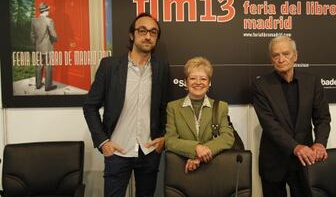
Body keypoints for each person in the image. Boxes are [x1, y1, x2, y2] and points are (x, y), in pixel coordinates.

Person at [83, 12, 170, 197]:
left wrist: (164, 138)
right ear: (132, 35)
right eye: (142, 30)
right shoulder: (109, 66)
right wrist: (103, 142)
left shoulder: (162, 68)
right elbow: (90, 106)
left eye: (153, 32)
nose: (148, 36)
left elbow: (167, 107)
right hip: (117, 151)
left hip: (149, 151)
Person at [252, 36, 331, 197]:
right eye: (276, 55)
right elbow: (269, 124)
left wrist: (320, 143)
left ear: (295, 56)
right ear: (271, 59)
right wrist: (295, 147)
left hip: (305, 160)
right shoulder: (261, 86)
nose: (281, 59)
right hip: (274, 161)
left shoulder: (312, 82)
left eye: (286, 54)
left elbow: (322, 118)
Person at [165, 57, 234, 173]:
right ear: (186, 82)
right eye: (192, 78)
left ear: (209, 83)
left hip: (212, 169)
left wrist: (202, 154)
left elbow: (227, 137)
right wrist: (196, 148)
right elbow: (170, 140)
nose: (198, 82)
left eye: (203, 79)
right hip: (182, 171)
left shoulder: (221, 106)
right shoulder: (173, 107)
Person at [31, 2, 58, 91]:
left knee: (38, 65)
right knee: (48, 66)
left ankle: (38, 84)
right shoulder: (49, 20)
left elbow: (32, 35)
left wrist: (35, 44)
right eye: (48, 10)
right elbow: (53, 34)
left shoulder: (34, 20)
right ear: (45, 11)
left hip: (38, 47)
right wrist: (55, 40)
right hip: (47, 47)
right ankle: (48, 86)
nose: (49, 12)